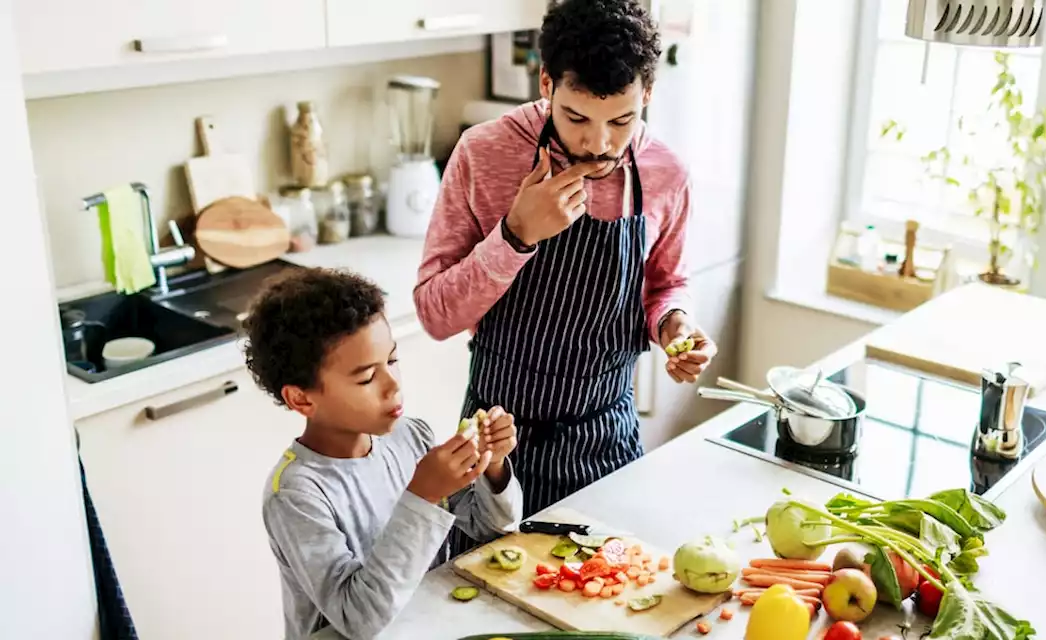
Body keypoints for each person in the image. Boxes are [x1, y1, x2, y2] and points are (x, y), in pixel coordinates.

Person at [414, 0, 717, 546]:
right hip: (495, 449)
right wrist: (516, 235)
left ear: (647, 93)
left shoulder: (666, 172)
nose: (598, 144)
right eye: (576, 117)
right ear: (547, 82)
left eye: (622, 120)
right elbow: (435, 316)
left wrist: (675, 325)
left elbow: (667, 283)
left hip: (608, 440)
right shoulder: (484, 154)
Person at [244, 268, 522, 640]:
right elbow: (360, 619)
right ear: (301, 398)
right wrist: (422, 495)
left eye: (391, 361)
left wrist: (494, 467)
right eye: (365, 378)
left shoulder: (410, 437)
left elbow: (491, 529)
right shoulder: (296, 494)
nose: (393, 386)